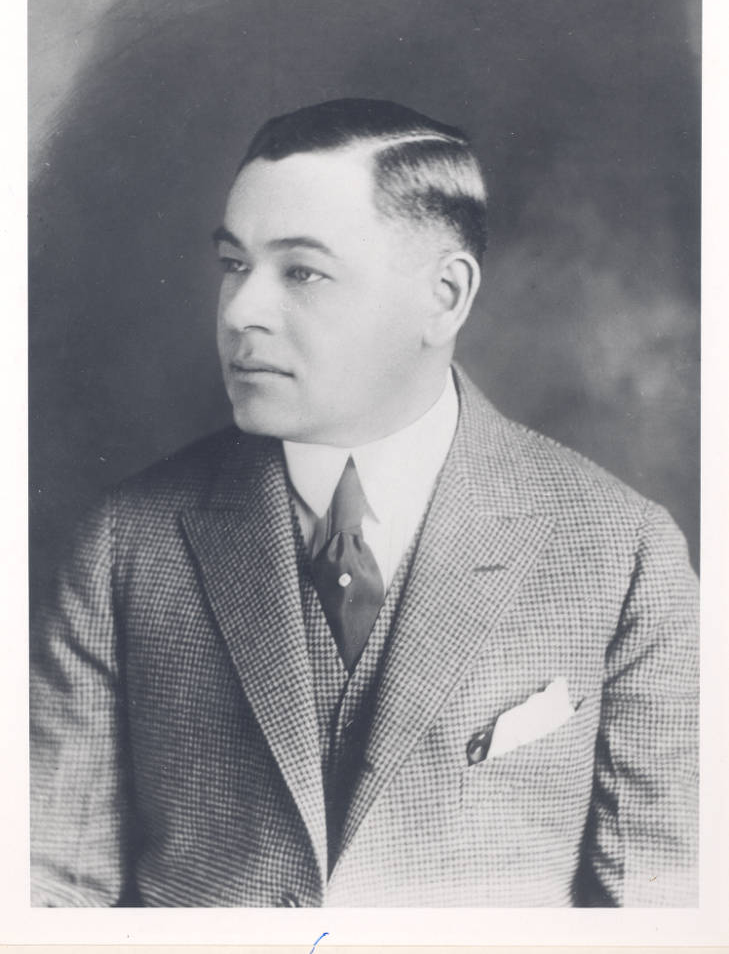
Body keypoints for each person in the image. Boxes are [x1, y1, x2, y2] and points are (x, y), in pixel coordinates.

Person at [30, 98, 699, 908]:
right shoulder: (126, 544)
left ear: (444, 296)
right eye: (234, 263)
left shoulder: (623, 553)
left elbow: (663, 913)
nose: (240, 311)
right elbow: (46, 890)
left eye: (301, 271)